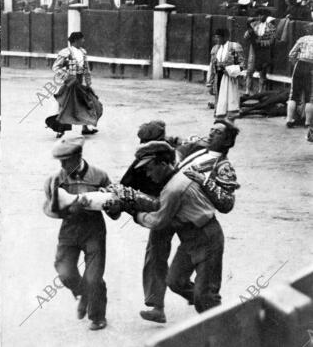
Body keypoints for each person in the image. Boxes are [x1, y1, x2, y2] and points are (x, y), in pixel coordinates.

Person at [107, 121, 240, 318]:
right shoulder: (196, 147)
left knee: (194, 284)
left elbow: (227, 204)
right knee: (158, 254)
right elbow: (171, 147)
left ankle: (206, 304)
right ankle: (160, 305)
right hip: (170, 203)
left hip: (184, 212)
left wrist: (203, 181)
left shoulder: (223, 166)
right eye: (211, 130)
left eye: (218, 133)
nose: (211, 134)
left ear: (228, 140)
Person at [43, 135, 111, 330]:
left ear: (78, 156)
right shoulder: (54, 179)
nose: (63, 165)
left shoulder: (99, 176)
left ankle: (97, 316)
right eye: (60, 161)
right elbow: (51, 209)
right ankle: (84, 294)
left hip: (93, 229)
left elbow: (114, 203)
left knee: (93, 277)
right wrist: (68, 205)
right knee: (65, 272)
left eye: (66, 161)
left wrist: (108, 204)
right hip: (69, 229)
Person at [46, 32, 102, 138]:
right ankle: (60, 131)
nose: (83, 41)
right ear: (76, 40)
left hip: (80, 82)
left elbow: (86, 69)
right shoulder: (65, 52)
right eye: (82, 39)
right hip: (70, 83)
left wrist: (88, 82)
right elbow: (56, 67)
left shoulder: (83, 52)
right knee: (65, 106)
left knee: (86, 103)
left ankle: (85, 128)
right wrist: (67, 77)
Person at [208, 29, 245, 119]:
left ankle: (230, 115)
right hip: (218, 77)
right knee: (218, 97)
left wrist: (230, 70)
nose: (216, 39)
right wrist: (210, 82)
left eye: (218, 37)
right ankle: (219, 115)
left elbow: (242, 65)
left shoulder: (235, 47)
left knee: (229, 98)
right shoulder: (215, 49)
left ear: (225, 37)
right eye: (216, 37)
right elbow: (212, 66)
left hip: (230, 78)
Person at [244, 10, 276, 95]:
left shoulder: (271, 26)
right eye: (259, 15)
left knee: (262, 71)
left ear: (266, 16)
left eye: (262, 15)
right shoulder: (253, 25)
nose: (260, 17)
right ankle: (247, 90)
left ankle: (260, 92)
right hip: (253, 50)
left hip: (264, 50)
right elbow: (246, 37)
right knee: (250, 70)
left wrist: (260, 42)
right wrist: (248, 34)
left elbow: (271, 40)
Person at [286, 29, 313, 130]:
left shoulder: (302, 39)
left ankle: (289, 119)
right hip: (312, 67)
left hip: (300, 65)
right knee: (310, 96)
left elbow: (291, 54)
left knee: (293, 95)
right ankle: (307, 122)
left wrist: (296, 63)